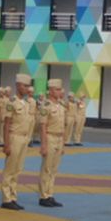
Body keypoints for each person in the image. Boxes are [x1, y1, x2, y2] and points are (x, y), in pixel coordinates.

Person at [0, 73, 36, 210]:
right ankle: (6, 199)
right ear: (18, 86)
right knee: (9, 169)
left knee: (17, 170)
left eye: (28, 86)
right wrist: (6, 143)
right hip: (14, 137)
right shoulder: (11, 102)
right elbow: (7, 124)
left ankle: (13, 196)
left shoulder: (26, 103)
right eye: (25, 86)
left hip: (24, 138)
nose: (27, 89)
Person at [37, 78, 67, 207]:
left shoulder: (61, 106)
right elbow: (43, 126)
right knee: (47, 168)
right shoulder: (46, 106)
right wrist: (43, 144)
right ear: (50, 91)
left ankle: (50, 194)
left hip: (59, 139)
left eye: (60, 89)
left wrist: (63, 144)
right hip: (49, 137)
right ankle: (44, 196)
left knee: (54, 169)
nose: (60, 92)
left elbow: (63, 126)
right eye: (57, 89)